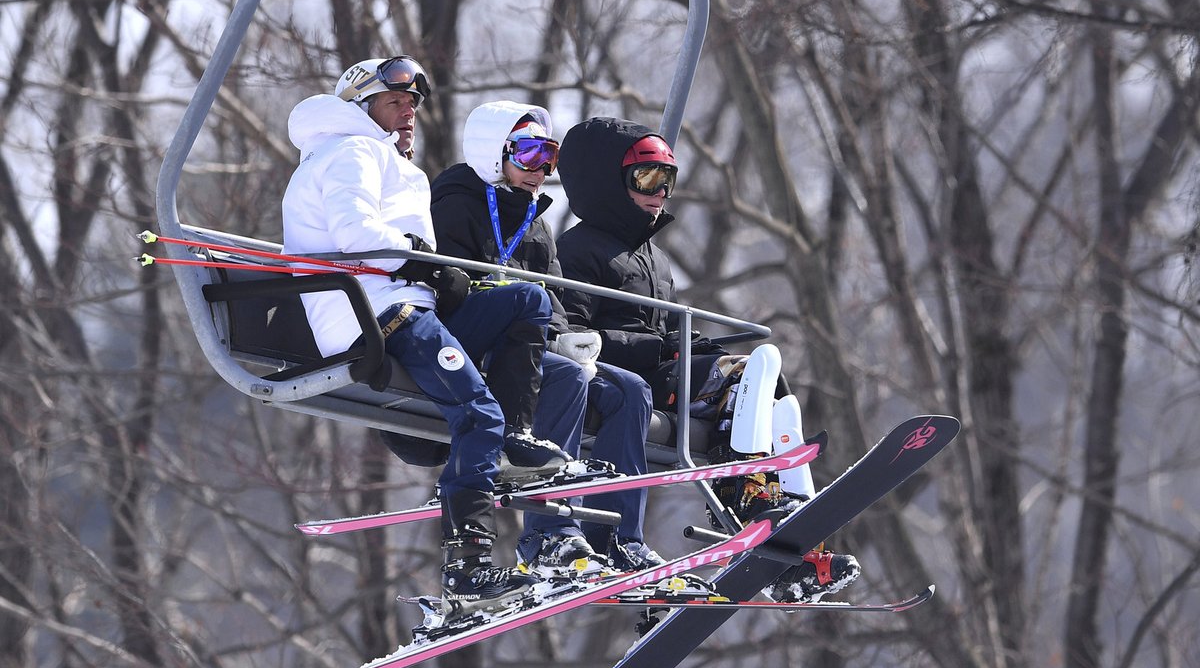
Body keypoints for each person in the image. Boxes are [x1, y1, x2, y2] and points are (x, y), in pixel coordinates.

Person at [281, 55, 577, 612]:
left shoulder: (378, 156)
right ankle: (468, 567)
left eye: (413, 102)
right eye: (395, 101)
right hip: (377, 315)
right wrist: (421, 261)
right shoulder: (351, 151)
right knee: (477, 413)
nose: (409, 112)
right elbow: (354, 233)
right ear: (360, 106)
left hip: (405, 306)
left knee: (527, 299)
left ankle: (513, 438)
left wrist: (441, 278)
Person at [554, 116, 861, 603]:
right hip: (622, 381)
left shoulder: (652, 258)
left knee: (767, 383)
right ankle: (751, 498)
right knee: (747, 373)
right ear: (605, 182)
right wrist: (658, 347)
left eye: (667, 181)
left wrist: (690, 345)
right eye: (647, 178)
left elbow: (667, 329)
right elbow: (572, 337)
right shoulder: (576, 250)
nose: (660, 192)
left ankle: (789, 524)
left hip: (659, 370)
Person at [429, 101, 663, 574]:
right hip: (477, 341)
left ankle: (615, 534)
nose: (541, 169)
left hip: (530, 342)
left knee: (631, 390)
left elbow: (553, 293)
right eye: (529, 154)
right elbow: (448, 288)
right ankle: (549, 534)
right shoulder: (456, 203)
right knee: (565, 379)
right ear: (496, 153)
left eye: (549, 156)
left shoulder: (535, 221)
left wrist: (564, 337)